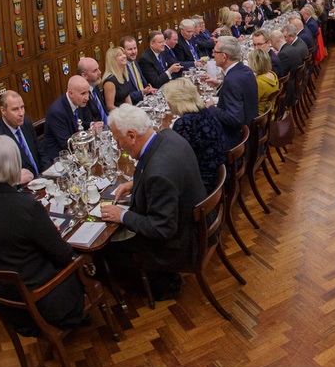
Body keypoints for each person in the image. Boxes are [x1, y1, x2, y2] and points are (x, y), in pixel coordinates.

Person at [0, 135, 85, 333]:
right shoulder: (26, 206)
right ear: (14, 164)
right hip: (41, 301)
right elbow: (64, 255)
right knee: (88, 260)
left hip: (6, 300)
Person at [100, 105, 208, 300]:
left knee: (106, 247)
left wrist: (122, 215)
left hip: (180, 245)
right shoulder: (168, 136)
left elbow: (162, 229)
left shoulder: (159, 174)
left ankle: (159, 287)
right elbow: (166, 174)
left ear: (132, 136)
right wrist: (135, 184)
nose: (118, 146)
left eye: (118, 140)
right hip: (195, 224)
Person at [163, 78, 230, 192]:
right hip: (218, 176)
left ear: (171, 103)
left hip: (202, 184)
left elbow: (175, 162)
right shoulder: (205, 111)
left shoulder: (184, 123)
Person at [207, 36, 258, 148]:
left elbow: (234, 119)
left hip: (236, 139)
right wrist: (220, 84)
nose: (213, 55)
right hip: (252, 133)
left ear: (224, 56)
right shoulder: (245, 70)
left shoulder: (232, 80)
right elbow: (239, 93)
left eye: (215, 52)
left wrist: (211, 108)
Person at [42, 75, 104, 165]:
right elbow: (67, 144)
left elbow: (78, 124)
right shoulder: (57, 112)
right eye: (83, 93)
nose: (87, 97)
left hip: (77, 155)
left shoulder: (78, 102)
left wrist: (92, 124)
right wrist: (90, 133)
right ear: (71, 93)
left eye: (87, 93)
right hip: (60, 160)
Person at [0, 90, 48, 176]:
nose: (21, 113)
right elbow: (3, 176)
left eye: (22, 107)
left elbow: (40, 152)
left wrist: (49, 174)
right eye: (15, 109)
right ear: (3, 110)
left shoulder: (26, 122)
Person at [121, 35, 157, 103]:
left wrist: (149, 89)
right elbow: (125, 96)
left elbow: (142, 82)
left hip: (145, 101)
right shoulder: (121, 68)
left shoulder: (134, 62)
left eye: (135, 48)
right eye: (130, 49)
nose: (134, 52)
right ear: (123, 51)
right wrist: (142, 92)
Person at [77, 57, 109, 127]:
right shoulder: (82, 96)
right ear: (84, 75)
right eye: (95, 71)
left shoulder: (94, 85)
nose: (99, 72)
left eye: (98, 68)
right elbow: (88, 121)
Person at [248, 47, 280, 116]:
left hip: (260, 116)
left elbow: (251, 103)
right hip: (269, 113)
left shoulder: (259, 82)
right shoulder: (272, 74)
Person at [100, 46, 133, 112]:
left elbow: (127, 96)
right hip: (117, 116)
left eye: (123, 54)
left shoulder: (123, 75)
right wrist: (124, 114)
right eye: (120, 55)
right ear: (113, 60)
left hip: (126, 113)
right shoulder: (110, 81)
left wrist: (133, 111)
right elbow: (110, 106)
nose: (124, 56)